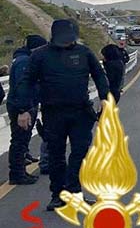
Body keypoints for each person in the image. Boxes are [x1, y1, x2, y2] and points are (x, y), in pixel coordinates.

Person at [12, 20, 109, 210]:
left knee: (80, 151)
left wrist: (105, 97)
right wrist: (23, 109)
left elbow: (99, 75)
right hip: (53, 113)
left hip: (81, 111)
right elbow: (26, 82)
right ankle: (58, 195)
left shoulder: (84, 52)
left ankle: (74, 192)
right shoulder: (40, 55)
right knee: (56, 155)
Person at [6, 35, 47, 184]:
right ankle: (17, 174)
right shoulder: (25, 62)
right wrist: (23, 109)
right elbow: (23, 86)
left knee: (22, 139)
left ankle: (20, 171)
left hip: (22, 104)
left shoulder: (22, 59)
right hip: (21, 106)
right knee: (19, 140)